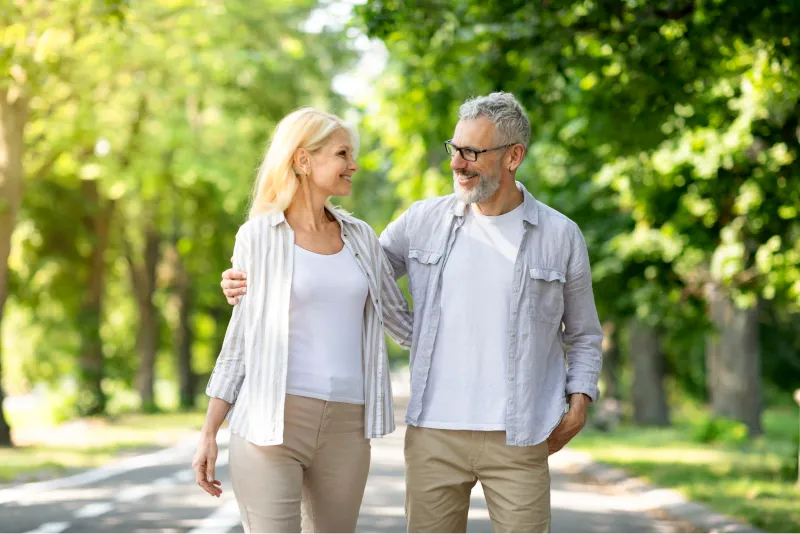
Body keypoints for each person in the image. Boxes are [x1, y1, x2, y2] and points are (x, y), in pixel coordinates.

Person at [221, 92, 603, 534]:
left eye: (473, 153)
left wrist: (579, 402)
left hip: (520, 434)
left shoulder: (560, 235)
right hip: (433, 435)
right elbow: (350, 275)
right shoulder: (422, 221)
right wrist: (251, 277)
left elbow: (584, 333)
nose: (458, 163)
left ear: (514, 156)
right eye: (454, 149)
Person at [195, 108, 413, 534]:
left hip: (349, 428)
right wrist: (209, 432)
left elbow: (403, 324)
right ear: (303, 160)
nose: (354, 164)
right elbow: (239, 343)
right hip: (270, 422)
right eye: (342, 153)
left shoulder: (362, 238)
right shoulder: (258, 237)